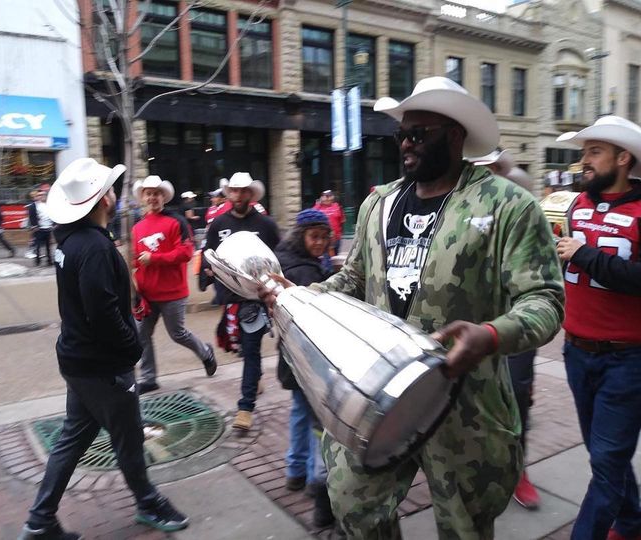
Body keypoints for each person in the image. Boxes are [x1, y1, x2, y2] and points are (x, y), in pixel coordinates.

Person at [260, 77, 564, 539]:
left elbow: (544, 299)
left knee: (465, 524)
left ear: (455, 135)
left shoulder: (507, 205)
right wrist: (299, 297)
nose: (406, 143)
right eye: (402, 133)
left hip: (466, 404)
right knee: (355, 505)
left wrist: (492, 335)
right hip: (375, 397)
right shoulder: (378, 204)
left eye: (420, 134)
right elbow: (355, 279)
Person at [18, 158, 189, 540]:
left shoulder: (72, 242)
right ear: (104, 199)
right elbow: (102, 310)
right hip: (102, 366)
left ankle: (39, 520)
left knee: (73, 437)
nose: (116, 192)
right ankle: (147, 501)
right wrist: (131, 350)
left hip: (80, 362)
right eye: (111, 188)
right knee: (128, 437)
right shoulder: (93, 246)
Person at [555, 115, 641, 540]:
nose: (583, 161)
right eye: (584, 152)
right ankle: (631, 521)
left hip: (626, 360)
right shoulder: (575, 204)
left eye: (594, 152)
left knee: (606, 465)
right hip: (575, 352)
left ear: (623, 158)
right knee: (606, 455)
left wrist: (584, 254)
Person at [473, 148, 541, 510]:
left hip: (513, 330)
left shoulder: (527, 219)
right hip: (471, 323)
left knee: (516, 396)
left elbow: (541, 291)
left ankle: (517, 469)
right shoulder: (465, 211)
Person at [203, 172, 280, 431]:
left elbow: (279, 257)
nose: (238, 195)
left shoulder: (266, 225)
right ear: (229, 194)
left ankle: (245, 408)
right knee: (240, 347)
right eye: (234, 190)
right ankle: (254, 377)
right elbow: (208, 254)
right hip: (230, 298)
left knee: (251, 350)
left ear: (250, 194)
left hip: (256, 300)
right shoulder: (217, 225)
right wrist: (208, 270)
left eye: (243, 191)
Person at [275, 208, 335, 528]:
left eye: (325, 237)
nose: (321, 243)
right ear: (302, 236)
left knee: (300, 412)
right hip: (308, 355)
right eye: (315, 236)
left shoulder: (286, 260)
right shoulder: (305, 272)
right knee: (316, 420)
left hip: (289, 353)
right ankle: (315, 478)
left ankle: (294, 471)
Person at [132, 176, 217, 396]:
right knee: (141, 335)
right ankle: (149, 378)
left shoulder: (177, 222)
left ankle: (206, 353)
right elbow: (134, 260)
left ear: (163, 197)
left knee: (177, 333)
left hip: (172, 293)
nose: (152, 197)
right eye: (148, 193)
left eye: (156, 193)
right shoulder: (137, 227)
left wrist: (154, 258)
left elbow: (186, 253)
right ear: (143, 197)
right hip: (146, 294)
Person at [313, 190, 345, 256]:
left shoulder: (337, 207)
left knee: (335, 257)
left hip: (336, 238)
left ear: (333, 197)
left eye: (329, 196)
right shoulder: (317, 208)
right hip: (323, 238)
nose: (327, 198)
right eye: (325, 196)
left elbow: (342, 221)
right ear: (321, 198)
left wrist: (339, 234)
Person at [28, 186, 54, 266]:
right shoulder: (33, 206)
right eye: (39, 195)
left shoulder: (48, 204)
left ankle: (49, 261)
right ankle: (38, 261)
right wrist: (34, 226)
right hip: (39, 229)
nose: (41, 196)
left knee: (48, 246)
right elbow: (32, 216)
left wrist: (53, 224)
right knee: (38, 246)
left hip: (48, 228)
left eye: (43, 195)